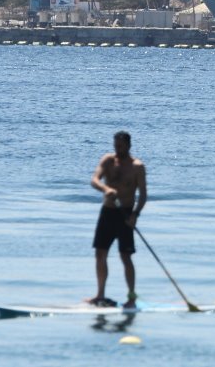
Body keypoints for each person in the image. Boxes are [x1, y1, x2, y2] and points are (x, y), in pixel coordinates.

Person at [89, 131, 147, 308]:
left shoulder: (137, 166)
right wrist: (106, 189)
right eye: (115, 145)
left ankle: (131, 298)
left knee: (125, 256)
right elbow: (94, 180)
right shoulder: (107, 160)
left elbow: (143, 195)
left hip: (126, 215)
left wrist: (135, 215)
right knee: (100, 253)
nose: (117, 149)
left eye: (120, 146)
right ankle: (100, 295)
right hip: (108, 212)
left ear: (128, 145)